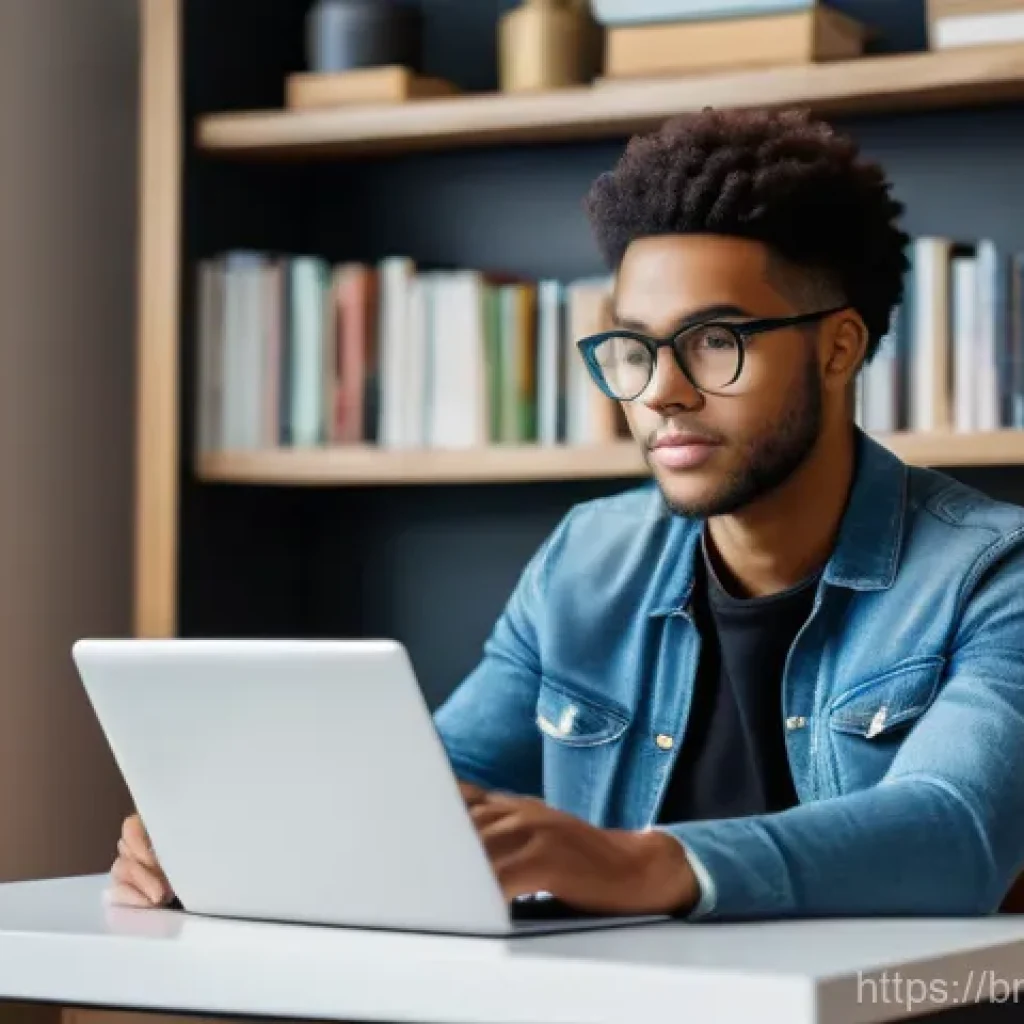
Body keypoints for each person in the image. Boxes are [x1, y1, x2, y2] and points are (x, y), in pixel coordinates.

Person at [108, 107, 1024, 922]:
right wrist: (233, 836)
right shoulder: (588, 557)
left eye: (714, 342)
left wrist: (640, 863)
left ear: (838, 348)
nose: (661, 392)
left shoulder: (992, 574)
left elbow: (954, 831)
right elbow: (431, 792)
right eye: (634, 347)